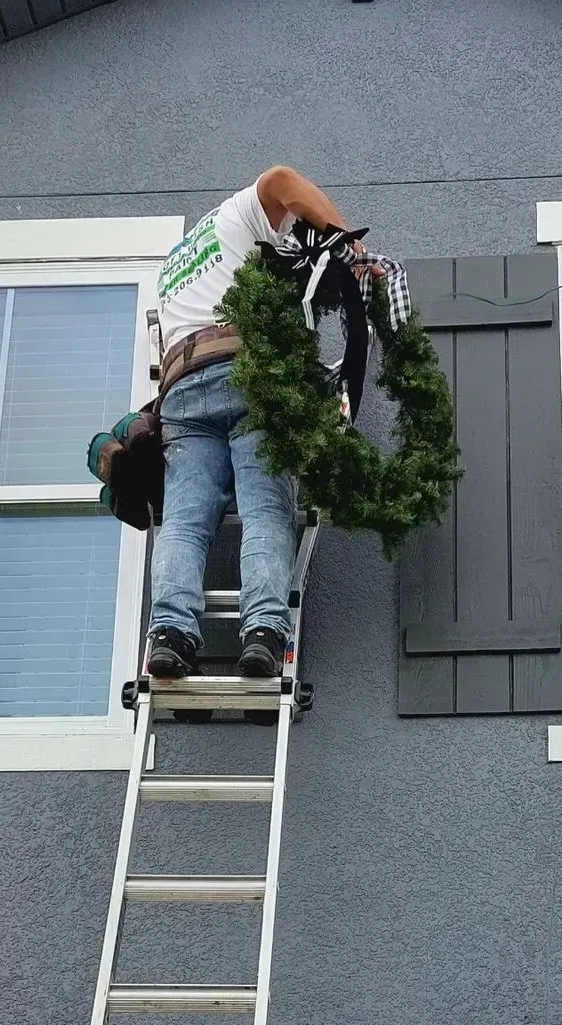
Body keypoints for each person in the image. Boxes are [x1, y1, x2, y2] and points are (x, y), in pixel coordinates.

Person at [90, 166, 360, 684]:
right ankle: (262, 630)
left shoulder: (175, 263)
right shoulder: (237, 215)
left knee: (186, 524)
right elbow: (283, 180)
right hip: (247, 375)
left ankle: (169, 634)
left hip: (183, 391)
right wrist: (344, 241)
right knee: (264, 510)